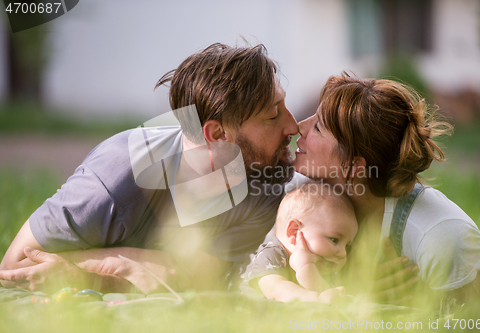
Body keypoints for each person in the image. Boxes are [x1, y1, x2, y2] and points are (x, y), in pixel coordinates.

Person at [0, 43, 299, 294]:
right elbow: (14, 266)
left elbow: (190, 279)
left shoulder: (264, 184)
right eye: (273, 116)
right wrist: (123, 264)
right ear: (218, 135)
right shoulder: (116, 180)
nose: (293, 125)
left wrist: (106, 268)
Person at [292, 72, 480, 304]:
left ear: (353, 165)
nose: (300, 126)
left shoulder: (441, 237)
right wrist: (357, 298)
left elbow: (474, 323)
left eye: (317, 127)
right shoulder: (301, 200)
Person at [240, 181, 357, 303]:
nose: (343, 254)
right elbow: (276, 291)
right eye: (334, 240)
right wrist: (316, 298)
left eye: (347, 246)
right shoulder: (270, 255)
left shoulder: (320, 267)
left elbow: (327, 297)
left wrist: (307, 270)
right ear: (294, 231)